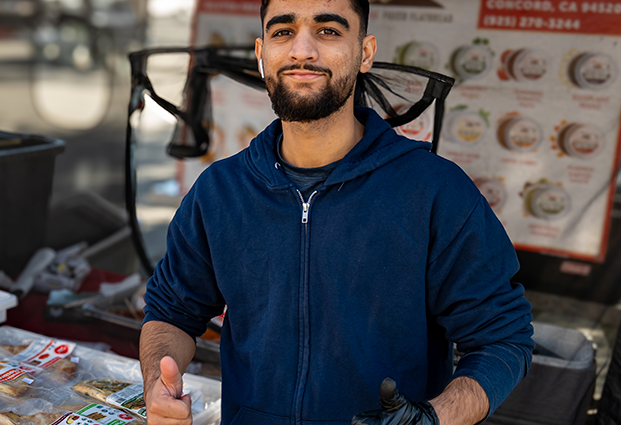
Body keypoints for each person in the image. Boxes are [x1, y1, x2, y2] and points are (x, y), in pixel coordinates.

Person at [139, 1, 535, 424]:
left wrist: (433, 418)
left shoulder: (435, 191)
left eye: (328, 31)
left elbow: (502, 340)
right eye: (282, 32)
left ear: (365, 53)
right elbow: (170, 313)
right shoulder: (220, 191)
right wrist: (157, 384)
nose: (302, 50)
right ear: (261, 53)